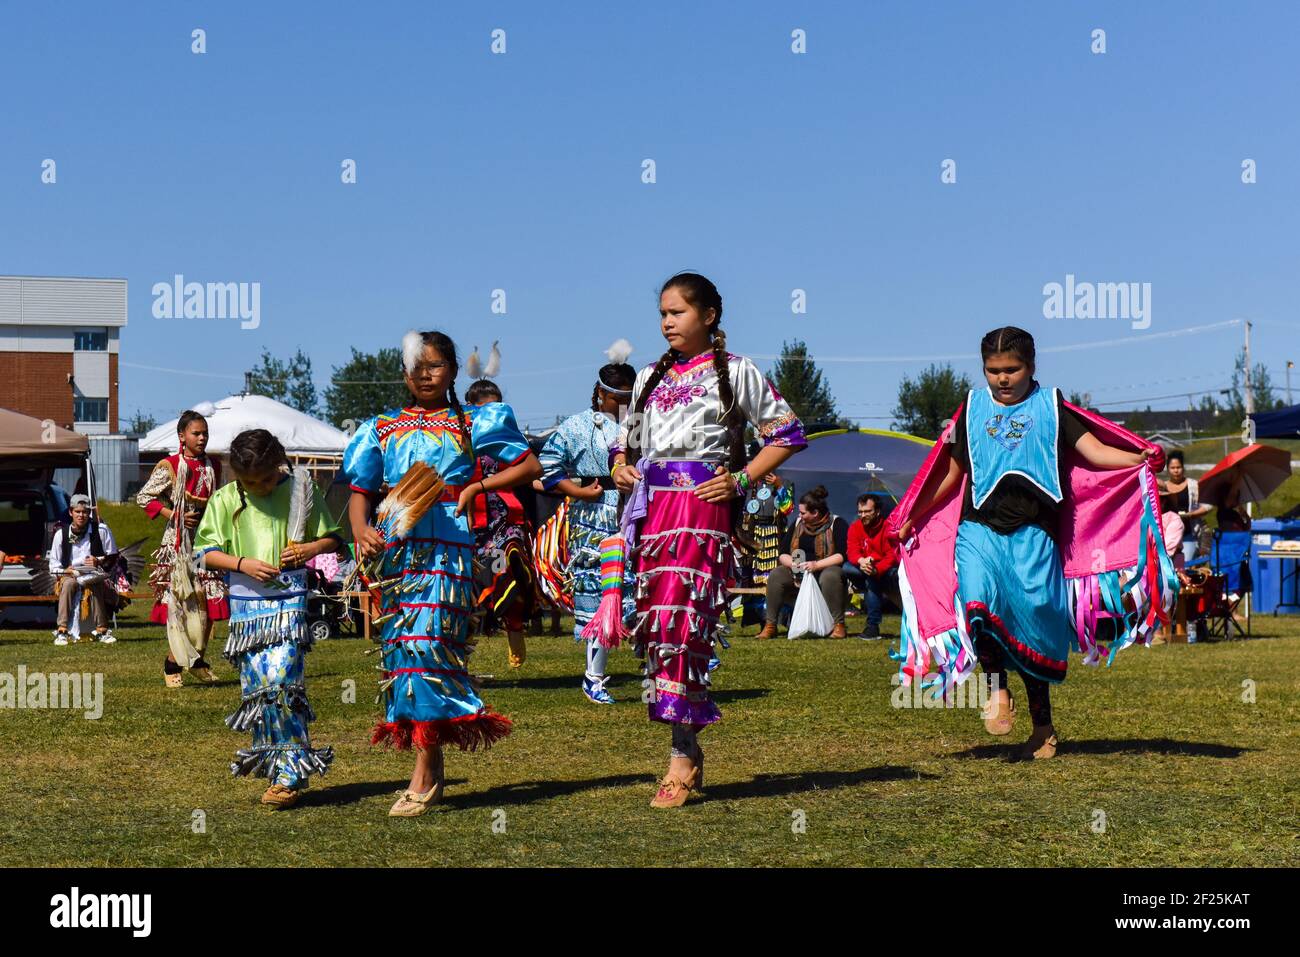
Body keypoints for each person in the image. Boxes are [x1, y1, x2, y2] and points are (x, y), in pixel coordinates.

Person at [890, 326, 1175, 760]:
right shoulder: (970, 409)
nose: (1002, 379)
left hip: (1035, 533)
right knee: (977, 606)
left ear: (1031, 367)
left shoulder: (1052, 408)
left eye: (1012, 369)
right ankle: (996, 691)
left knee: (1032, 626)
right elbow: (950, 474)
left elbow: (1095, 452)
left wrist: (1138, 459)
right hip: (978, 528)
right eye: (993, 371)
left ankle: (1042, 727)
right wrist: (913, 513)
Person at [609, 272, 806, 808]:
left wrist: (742, 478)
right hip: (651, 514)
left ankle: (679, 757)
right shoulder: (649, 376)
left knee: (683, 623)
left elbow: (786, 433)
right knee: (657, 630)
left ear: (709, 315)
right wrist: (623, 467)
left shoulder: (736, 372)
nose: (667, 322)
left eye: (678, 312)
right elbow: (624, 445)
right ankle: (687, 745)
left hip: (702, 510)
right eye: (663, 314)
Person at [344, 330, 542, 817]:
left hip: (448, 554)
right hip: (395, 552)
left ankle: (425, 770)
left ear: (454, 370)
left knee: (429, 647)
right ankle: (429, 760)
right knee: (403, 657)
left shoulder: (475, 420)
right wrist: (359, 531)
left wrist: (478, 486)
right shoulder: (380, 428)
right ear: (404, 374)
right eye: (416, 367)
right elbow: (359, 490)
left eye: (435, 365)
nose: (425, 374)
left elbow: (528, 465)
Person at [192, 429, 342, 809]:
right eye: (249, 481)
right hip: (247, 609)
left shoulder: (298, 492)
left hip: (288, 602)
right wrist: (242, 563)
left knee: (283, 681)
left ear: (278, 465)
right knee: (258, 691)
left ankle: (291, 773)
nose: (258, 487)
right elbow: (202, 553)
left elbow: (334, 538)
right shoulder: (226, 499)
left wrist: (309, 547)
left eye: (265, 479)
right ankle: (277, 770)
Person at [537, 352, 638, 704]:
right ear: (600, 393)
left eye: (630, 399)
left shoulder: (642, 425)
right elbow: (547, 469)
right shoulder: (577, 427)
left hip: (638, 514)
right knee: (601, 595)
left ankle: (660, 671)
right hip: (594, 518)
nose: (623, 406)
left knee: (644, 589)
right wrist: (578, 491)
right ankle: (593, 678)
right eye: (617, 399)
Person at [137, 409, 230, 687]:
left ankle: (197, 659)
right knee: (182, 603)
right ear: (182, 436)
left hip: (207, 540)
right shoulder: (170, 465)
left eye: (205, 434)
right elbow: (144, 497)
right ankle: (172, 663)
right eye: (196, 433)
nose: (202, 438)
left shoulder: (213, 464)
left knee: (210, 603)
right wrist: (173, 515)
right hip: (179, 542)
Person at [465, 378, 540, 671]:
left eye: (497, 407)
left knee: (510, 565)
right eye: (485, 408)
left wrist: (556, 486)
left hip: (505, 519)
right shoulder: (459, 438)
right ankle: (461, 654)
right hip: (469, 522)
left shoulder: (510, 439)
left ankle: (515, 625)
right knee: (469, 588)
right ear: (471, 409)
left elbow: (529, 470)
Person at [758, 486, 850, 639]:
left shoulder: (837, 523)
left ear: (815, 513)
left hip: (826, 567)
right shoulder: (798, 523)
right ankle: (770, 625)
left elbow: (841, 555)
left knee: (830, 577)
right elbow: (783, 554)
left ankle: (838, 625)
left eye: (803, 512)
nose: (799, 515)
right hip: (799, 569)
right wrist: (794, 564)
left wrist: (816, 565)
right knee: (777, 575)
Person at [49, 494, 120, 645]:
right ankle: (62, 630)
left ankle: (102, 630)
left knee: (94, 584)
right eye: (77, 511)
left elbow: (113, 556)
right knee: (68, 584)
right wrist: (65, 571)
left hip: (94, 574)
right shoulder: (61, 534)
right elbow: (53, 566)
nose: (81, 515)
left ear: (89, 513)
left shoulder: (101, 530)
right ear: (70, 512)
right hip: (70, 575)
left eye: (85, 512)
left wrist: (98, 561)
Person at [736, 472, 794, 626]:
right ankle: (759, 619)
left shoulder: (785, 483)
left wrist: (779, 486)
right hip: (752, 537)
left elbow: (788, 509)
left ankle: (773, 620)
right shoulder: (745, 482)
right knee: (754, 578)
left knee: (773, 577)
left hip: (775, 536)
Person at [843, 493, 900, 639]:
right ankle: (872, 627)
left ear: (877, 511)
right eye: (860, 512)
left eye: (867, 511)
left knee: (872, 581)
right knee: (846, 568)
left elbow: (891, 556)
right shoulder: (855, 527)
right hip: (863, 567)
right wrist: (861, 561)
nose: (863, 515)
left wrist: (877, 570)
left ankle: (872, 627)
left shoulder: (888, 528)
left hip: (885, 570)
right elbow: (852, 551)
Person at [1159, 450, 1211, 564]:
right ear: (1168, 469)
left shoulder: (1193, 485)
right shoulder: (1163, 487)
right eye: (1172, 468)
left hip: (1188, 533)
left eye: (1178, 467)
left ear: (1183, 467)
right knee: (1168, 565)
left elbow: (1207, 505)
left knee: (1185, 564)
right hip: (1168, 534)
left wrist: (1191, 514)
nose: (1176, 470)